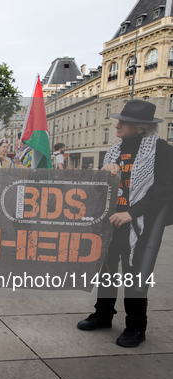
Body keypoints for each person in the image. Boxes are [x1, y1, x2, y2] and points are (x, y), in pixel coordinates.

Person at [77, 99, 173, 347]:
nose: (117, 124)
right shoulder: (114, 150)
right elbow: (103, 187)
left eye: (124, 122)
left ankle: (135, 327)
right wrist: (105, 171)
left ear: (141, 127)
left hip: (141, 224)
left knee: (135, 275)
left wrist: (132, 213)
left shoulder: (160, 149)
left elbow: (164, 189)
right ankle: (103, 314)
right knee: (106, 271)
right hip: (111, 220)